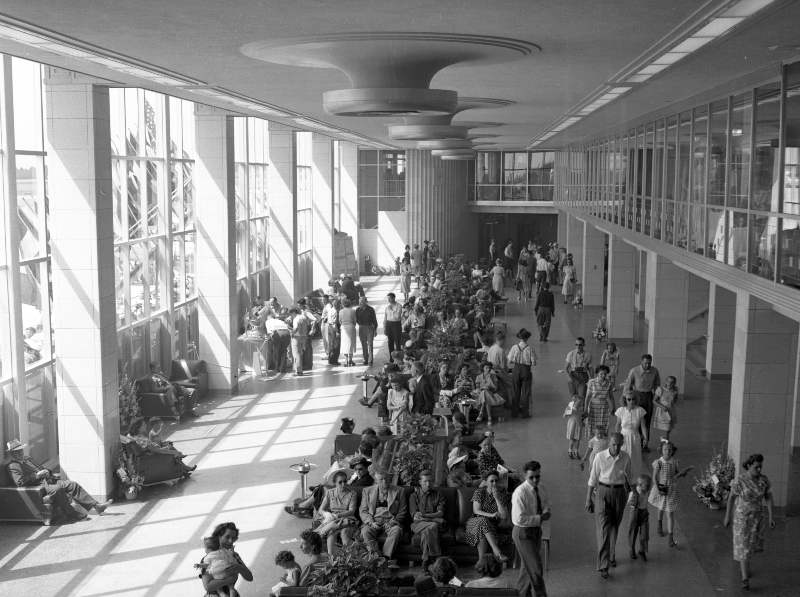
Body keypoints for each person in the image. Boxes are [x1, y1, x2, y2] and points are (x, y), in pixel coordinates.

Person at [5, 439, 113, 521]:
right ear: (12, 454)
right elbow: (20, 482)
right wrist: (36, 475)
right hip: (39, 485)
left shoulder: (28, 459)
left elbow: (42, 468)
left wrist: (47, 472)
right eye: (17, 452)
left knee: (72, 485)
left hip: (48, 480)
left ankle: (97, 506)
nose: (20, 453)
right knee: (58, 489)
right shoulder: (13, 465)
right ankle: (72, 515)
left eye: (20, 450)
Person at [723, 453, 776, 591]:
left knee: (750, 546)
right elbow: (731, 499)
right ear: (749, 466)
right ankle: (745, 578)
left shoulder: (764, 480)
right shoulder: (739, 481)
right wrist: (727, 516)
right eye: (756, 467)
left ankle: (746, 566)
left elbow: (768, 498)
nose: (759, 470)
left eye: (760, 467)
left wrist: (771, 516)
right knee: (743, 546)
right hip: (742, 519)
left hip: (757, 518)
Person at [585, 432, 631, 580]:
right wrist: (588, 499)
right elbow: (592, 479)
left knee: (614, 526)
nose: (616, 447)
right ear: (609, 443)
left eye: (618, 444)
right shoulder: (599, 457)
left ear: (622, 444)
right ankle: (603, 565)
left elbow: (629, 479)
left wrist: (633, 496)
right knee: (604, 529)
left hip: (619, 494)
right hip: (603, 492)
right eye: (613, 444)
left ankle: (611, 555)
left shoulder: (626, 457)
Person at [512, 461, 550, 597]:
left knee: (527, 568)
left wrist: (546, 511)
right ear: (524, 476)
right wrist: (540, 518)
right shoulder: (520, 493)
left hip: (535, 531)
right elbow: (519, 519)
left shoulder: (542, 488)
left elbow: (545, 503)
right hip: (523, 533)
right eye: (531, 477)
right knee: (535, 569)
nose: (535, 480)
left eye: (537, 476)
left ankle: (521, 594)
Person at [648, 440, 693, 549]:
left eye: (669, 449)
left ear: (672, 451)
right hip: (661, 488)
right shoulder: (659, 462)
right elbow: (654, 477)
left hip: (671, 490)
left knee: (670, 513)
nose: (667, 451)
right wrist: (657, 487)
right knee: (660, 508)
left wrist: (683, 473)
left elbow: (676, 474)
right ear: (661, 451)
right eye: (665, 449)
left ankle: (670, 538)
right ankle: (659, 525)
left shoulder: (674, 462)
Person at [360, 468, 407, 558]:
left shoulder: (400, 491)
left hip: (391, 521)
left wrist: (392, 522)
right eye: (381, 479)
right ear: (376, 481)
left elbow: (402, 511)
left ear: (389, 479)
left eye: (386, 478)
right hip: (374, 520)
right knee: (365, 531)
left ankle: (385, 557)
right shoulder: (367, 491)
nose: (384, 481)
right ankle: (376, 557)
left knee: (397, 531)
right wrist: (371, 522)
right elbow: (363, 511)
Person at [465, 470, 510, 562]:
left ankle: (481, 562)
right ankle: (497, 552)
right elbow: (476, 510)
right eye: (491, 481)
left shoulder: (501, 495)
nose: (494, 483)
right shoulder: (479, 492)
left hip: (490, 526)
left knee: (482, 532)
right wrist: (492, 515)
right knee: (482, 520)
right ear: (486, 482)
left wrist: (497, 498)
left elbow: (504, 516)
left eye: (496, 481)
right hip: (474, 523)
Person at [199, 522, 254, 595]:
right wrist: (229, 580)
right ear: (218, 537)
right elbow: (208, 587)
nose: (231, 541)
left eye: (233, 538)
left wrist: (239, 568)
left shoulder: (234, 555)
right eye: (227, 537)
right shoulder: (208, 559)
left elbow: (249, 578)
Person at [409, 470, 446, 572]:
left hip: (431, 524)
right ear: (420, 482)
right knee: (433, 525)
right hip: (418, 524)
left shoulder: (438, 494)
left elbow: (440, 513)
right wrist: (432, 518)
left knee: (428, 531)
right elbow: (416, 517)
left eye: (430, 481)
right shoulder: (414, 496)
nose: (428, 484)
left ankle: (425, 561)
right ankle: (437, 558)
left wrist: (424, 516)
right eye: (425, 481)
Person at [623, 354, 661, 452]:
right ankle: (636, 444)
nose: (647, 365)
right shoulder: (634, 371)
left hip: (648, 396)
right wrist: (625, 400)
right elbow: (628, 385)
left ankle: (645, 444)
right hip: (637, 396)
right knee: (637, 420)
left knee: (647, 421)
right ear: (641, 362)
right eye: (645, 363)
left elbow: (657, 385)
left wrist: (659, 397)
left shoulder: (655, 371)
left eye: (649, 363)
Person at [316, 470, 358, 555]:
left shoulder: (352, 494)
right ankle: (331, 558)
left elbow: (351, 511)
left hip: (347, 519)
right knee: (332, 532)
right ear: (335, 483)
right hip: (332, 519)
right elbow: (320, 510)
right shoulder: (330, 492)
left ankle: (318, 533)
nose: (343, 484)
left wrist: (336, 515)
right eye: (340, 482)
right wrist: (326, 514)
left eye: (345, 481)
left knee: (344, 535)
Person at [614, 393, 648, 479]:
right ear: (625, 400)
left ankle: (633, 478)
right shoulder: (621, 410)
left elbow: (643, 426)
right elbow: (617, 425)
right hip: (623, 437)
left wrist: (645, 438)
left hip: (635, 437)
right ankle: (621, 478)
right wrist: (616, 437)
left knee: (635, 458)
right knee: (623, 457)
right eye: (629, 399)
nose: (631, 401)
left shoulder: (640, 410)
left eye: (633, 399)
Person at [508, 328, 536, 418]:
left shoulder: (514, 347)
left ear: (519, 338)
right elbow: (534, 362)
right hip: (526, 370)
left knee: (515, 391)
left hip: (516, 369)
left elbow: (510, 360)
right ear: (527, 338)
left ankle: (514, 412)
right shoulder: (530, 349)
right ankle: (525, 413)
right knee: (526, 392)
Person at [584, 365, 615, 440]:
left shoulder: (609, 383)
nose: (603, 375)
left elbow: (611, 396)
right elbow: (587, 397)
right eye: (601, 374)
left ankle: (602, 443)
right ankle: (592, 443)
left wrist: (613, 407)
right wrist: (585, 409)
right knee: (592, 425)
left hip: (604, 408)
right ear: (597, 373)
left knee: (603, 425)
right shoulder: (592, 382)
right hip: (593, 407)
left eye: (605, 374)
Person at [627, 474, 652, 561]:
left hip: (644, 513)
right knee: (633, 532)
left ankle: (642, 551)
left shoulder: (647, 492)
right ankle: (631, 548)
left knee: (644, 534)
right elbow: (629, 503)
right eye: (647, 485)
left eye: (649, 485)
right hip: (635, 513)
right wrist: (633, 502)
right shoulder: (634, 493)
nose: (649, 487)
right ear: (640, 485)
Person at [653, 375, 679, 442]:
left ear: (674, 383)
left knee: (668, 429)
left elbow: (675, 401)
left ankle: (664, 441)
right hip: (662, 412)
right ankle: (665, 443)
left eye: (672, 382)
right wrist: (662, 406)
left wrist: (673, 402)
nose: (670, 383)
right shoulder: (660, 389)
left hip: (670, 411)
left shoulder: (675, 391)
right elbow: (654, 401)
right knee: (666, 429)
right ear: (666, 381)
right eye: (668, 381)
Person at [356, 296, 378, 365]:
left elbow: (374, 320)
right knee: (363, 345)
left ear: (366, 302)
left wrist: (375, 330)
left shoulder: (371, 309)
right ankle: (365, 358)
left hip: (369, 328)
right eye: (359, 301)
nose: (360, 303)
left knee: (370, 344)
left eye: (362, 301)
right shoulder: (357, 310)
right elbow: (356, 320)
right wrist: (360, 324)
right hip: (361, 328)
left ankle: (370, 360)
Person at [289, 307, 310, 376]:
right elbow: (307, 325)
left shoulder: (296, 319)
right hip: (303, 337)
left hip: (297, 338)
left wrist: (292, 333)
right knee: (300, 354)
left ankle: (298, 371)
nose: (291, 316)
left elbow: (296, 328)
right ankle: (300, 369)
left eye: (291, 314)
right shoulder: (303, 317)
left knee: (296, 354)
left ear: (293, 313)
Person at [337, 297, 357, 367]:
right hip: (351, 327)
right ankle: (350, 360)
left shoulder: (340, 311)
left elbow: (339, 321)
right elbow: (355, 321)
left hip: (343, 328)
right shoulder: (353, 311)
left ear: (343, 304)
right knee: (351, 343)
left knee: (344, 344)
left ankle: (346, 360)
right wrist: (352, 324)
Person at [563, 394, 583, 459]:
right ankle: (571, 451)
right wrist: (568, 412)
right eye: (578, 401)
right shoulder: (571, 407)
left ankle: (574, 451)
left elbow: (580, 415)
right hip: (574, 424)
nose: (579, 403)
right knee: (574, 439)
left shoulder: (577, 407)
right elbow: (566, 415)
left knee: (576, 439)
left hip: (576, 424)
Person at [384, 292, 403, 358]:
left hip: (396, 324)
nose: (388, 300)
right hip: (389, 324)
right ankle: (391, 357)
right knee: (390, 342)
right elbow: (385, 318)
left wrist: (391, 310)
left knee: (397, 341)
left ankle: (398, 358)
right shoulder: (387, 307)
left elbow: (397, 316)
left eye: (389, 298)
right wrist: (385, 328)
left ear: (393, 298)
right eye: (388, 299)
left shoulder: (399, 306)